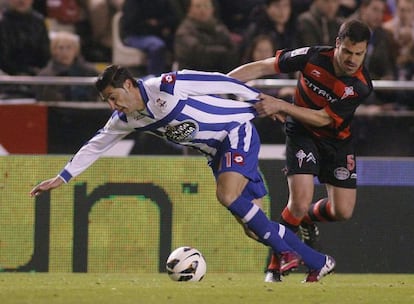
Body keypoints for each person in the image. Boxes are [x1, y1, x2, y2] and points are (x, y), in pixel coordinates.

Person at [30, 65, 336, 283]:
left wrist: (259, 100)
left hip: (235, 131)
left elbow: (216, 81)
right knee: (254, 229)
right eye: (107, 102)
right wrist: (62, 177)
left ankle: (285, 253)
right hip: (216, 154)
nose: (112, 105)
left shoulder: (165, 86)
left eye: (112, 97)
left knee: (226, 195)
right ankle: (319, 262)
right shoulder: (127, 119)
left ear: (127, 85)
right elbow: (95, 145)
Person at [228, 19, 373, 282]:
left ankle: (305, 219)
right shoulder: (312, 56)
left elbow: (323, 119)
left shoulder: (360, 86)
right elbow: (262, 67)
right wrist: (220, 84)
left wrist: (280, 105)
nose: (353, 59)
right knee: (299, 200)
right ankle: (275, 264)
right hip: (302, 134)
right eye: (348, 52)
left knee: (343, 211)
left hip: (337, 142)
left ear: (365, 52)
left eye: (359, 54)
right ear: (338, 44)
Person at [0, 0, 50, 98]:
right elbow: (3, 57)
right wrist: (19, 72)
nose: (21, 1)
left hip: (38, 74)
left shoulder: (39, 21)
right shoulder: (2, 23)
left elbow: (45, 53)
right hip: (9, 75)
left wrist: (38, 72)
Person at [173, 0, 239, 73]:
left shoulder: (220, 28)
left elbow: (233, 51)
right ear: (189, 10)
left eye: (206, 6)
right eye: (198, 6)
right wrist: (223, 52)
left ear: (212, 9)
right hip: (193, 77)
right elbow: (198, 55)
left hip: (220, 75)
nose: (202, 9)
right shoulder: (184, 31)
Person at [36, 31, 99, 102]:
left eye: (69, 47)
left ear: (75, 50)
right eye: (60, 48)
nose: (64, 52)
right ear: (54, 51)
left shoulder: (90, 72)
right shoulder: (45, 75)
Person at [120, 0, 179, 75]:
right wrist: (158, 26)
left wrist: (157, 24)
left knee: (181, 42)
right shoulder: (133, 2)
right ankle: (154, 80)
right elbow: (131, 24)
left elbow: (173, 19)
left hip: (158, 33)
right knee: (157, 45)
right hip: (134, 36)